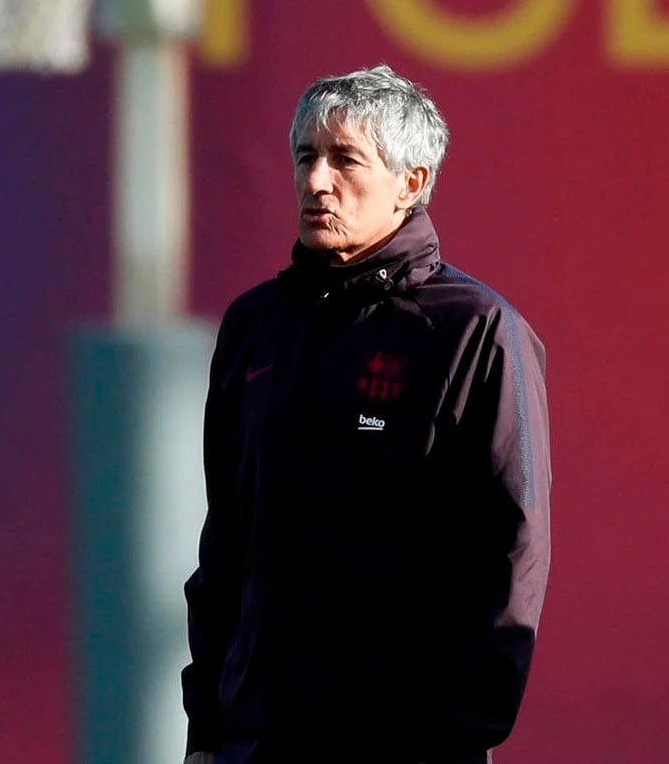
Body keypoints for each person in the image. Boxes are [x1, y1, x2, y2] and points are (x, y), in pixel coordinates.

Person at [181, 65, 551, 764]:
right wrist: (207, 730)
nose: (317, 180)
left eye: (345, 158)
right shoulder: (254, 326)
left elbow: (510, 554)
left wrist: (455, 736)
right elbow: (225, 549)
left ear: (411, 184)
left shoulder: (475, 331)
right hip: (252, 742)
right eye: (304, 157)